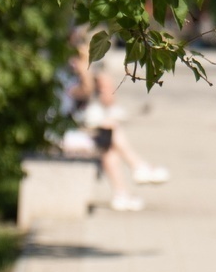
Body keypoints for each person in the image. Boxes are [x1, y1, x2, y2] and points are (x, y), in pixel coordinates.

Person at [60, 27, 169, 211]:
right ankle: (137, 169)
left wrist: (100, 80)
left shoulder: (71, 72)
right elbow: (83, 93)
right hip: (59, 136)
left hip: (69, 131)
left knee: (109, 142)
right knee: (111, 134)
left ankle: (123, 192)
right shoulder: (62, 74)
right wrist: (85, 65)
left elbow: (107, 100)